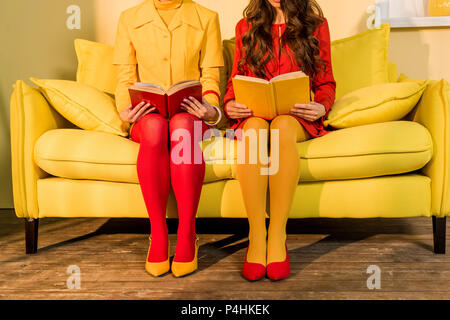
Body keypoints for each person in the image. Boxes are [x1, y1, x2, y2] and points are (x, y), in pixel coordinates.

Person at [223, 0, 336, 281]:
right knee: (254, 131)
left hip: (295, 115)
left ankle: (277, 235)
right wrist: (230, 103)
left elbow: (326, 83)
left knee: (282, 127)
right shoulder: (245, 27)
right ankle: (256, 235)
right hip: (256, 114)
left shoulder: (316, 26)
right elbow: (234, 81)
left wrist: (321, 105)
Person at [113, 0, 224, 278]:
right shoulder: (129, 18)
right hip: (146, 115)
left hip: (189, 114)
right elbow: (124, 77)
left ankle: (188, 233)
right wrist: (126, 109)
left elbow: (211, 77)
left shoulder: (207, 17)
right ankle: (158, 233)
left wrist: (209, 107)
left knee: (181, 127)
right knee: (155, 129)